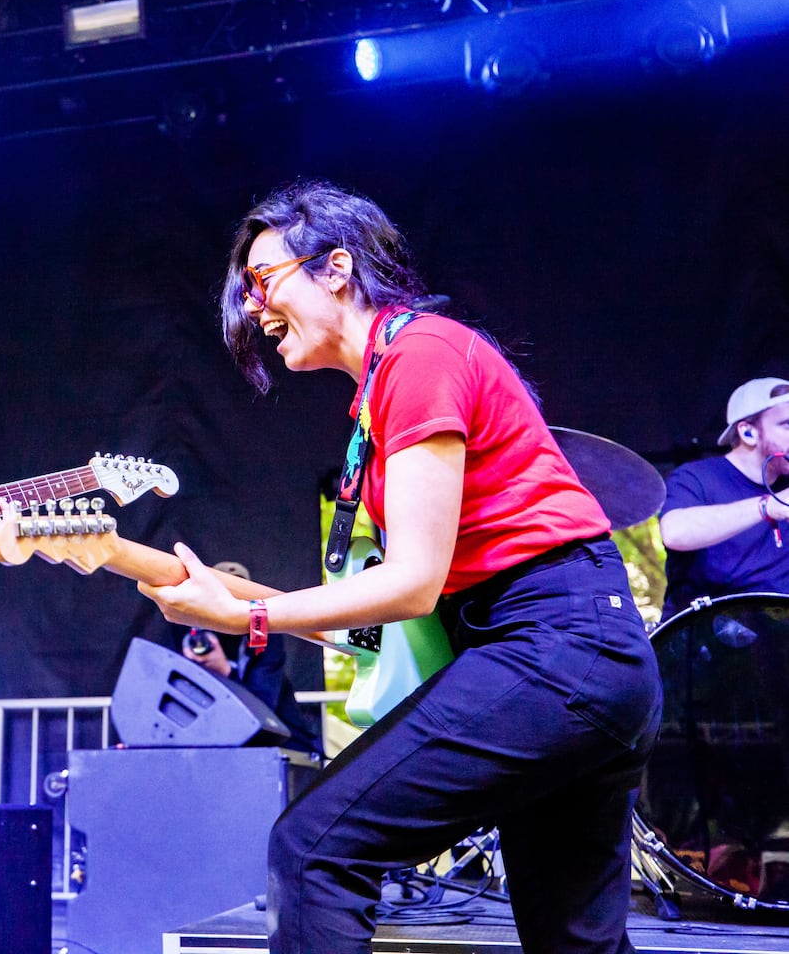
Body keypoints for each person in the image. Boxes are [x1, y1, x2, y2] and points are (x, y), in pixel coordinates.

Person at [137, 180, 662, 954]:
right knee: (572, 944)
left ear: (337, 268)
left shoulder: (419, 355)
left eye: (262, 279)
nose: (253, 307)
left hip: (555, 649)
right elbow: (393, 613)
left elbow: (411, 584)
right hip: (586, 657)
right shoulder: (392, 380)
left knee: (314, 850)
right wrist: (225, 597)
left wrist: (245, 616)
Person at [658, 377, 789, 618]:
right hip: (708, 639)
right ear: (748, 432)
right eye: (787, 425)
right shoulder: (696, 477)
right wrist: (768, 506)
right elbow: (675, 532)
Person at [179, 561, 323, 759]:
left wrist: (224, 671)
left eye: (237, 594)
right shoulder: (199, 635)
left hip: (282, 748)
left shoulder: (264, 635)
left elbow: (261, 708)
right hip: (222, 747)